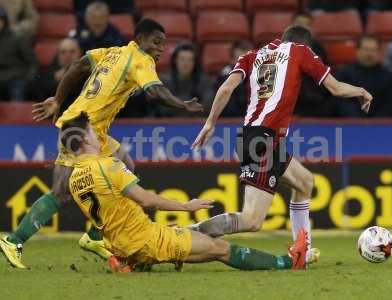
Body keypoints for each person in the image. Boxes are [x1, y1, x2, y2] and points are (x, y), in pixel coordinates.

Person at [0, 19, 203, 269]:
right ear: (140, 39)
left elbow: (77, 66)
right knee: (61, 192)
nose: (161, 49)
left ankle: (95, 237)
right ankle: (14, 240)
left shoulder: (112, 52)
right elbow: (155, 92)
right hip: (82, 131)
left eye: (163, 44)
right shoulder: (141, 60)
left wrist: (57, 99)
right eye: (156, 42)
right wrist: (183, 105)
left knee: (127, 165)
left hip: (92, 129)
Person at [191, 26, 373, 263]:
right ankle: (187, 234)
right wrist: (361, 91)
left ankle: (302, 251)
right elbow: (336, 88)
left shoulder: (251, 55)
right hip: (262, 140)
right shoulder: (300, 51)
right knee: (252, 221)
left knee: (305, 182)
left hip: (258, 137)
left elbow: (226, 88)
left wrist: (209, 123)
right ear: (305, 44)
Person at [64, 112, 308, 272]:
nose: (98, 136)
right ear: (84, 139)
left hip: (120, 243)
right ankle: (289, 261)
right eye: (93, 132)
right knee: (220, 249)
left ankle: (130, 262)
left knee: (177, 240)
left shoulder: (74, 178)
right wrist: (186, 206)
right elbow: (146, 199)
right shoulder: (107, 165)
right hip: (147, 239)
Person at [337, 35, 392, 117]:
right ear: (357, 50)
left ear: (379, 52)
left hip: (381, 125)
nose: (369, 54)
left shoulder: (389, 77)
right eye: (366, 49)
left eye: (373, 50)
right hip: (351, 124)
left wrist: (377, 123)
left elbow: (390, 105)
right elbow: (342, 102)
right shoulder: (345, 74)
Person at [291, 11, 337, 117]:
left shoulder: (318, 48)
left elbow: (327, 74)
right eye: (299, 24)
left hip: (315, 102)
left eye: (306, 25)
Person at [156, 42, 213, 117]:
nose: (186, 64)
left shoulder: (205, 80)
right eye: (182, 59)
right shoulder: (164, 80)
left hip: (197, 123)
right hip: (169, 124)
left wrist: (176, 102)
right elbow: (162, 108)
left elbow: (207, 106)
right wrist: (187, 104)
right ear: (175, 61)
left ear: (195, 62)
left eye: (190, 60)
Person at [0, 7, 37, 101]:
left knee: (17, 95)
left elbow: (32, 61)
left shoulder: (16, 38)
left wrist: (29, 78)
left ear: (4, 22)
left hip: (16, 77)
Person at [215, 40, 252, 118]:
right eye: (240, 61)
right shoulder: (224, 76)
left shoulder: (256, 76)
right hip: (230, 120)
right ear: (232, 60)